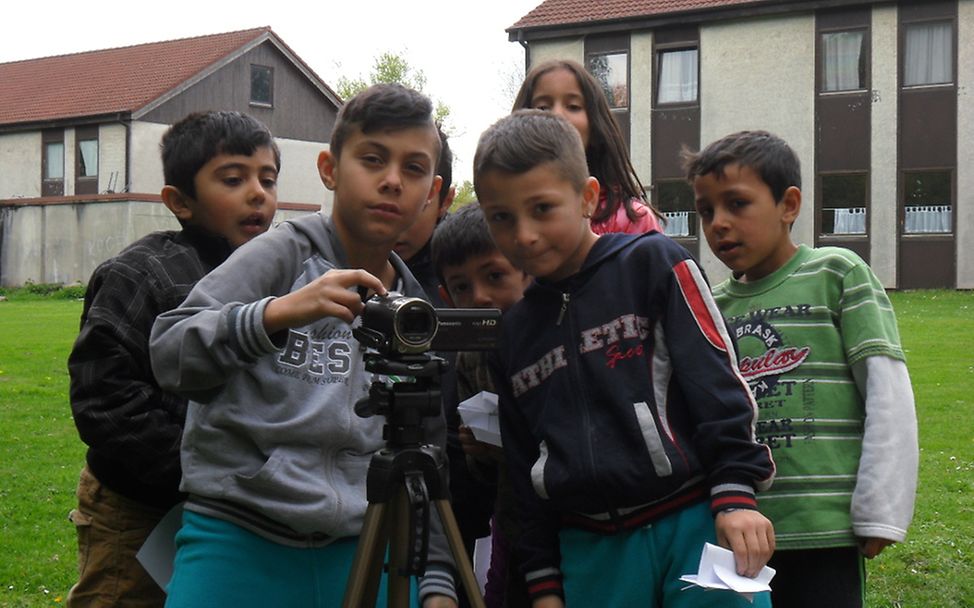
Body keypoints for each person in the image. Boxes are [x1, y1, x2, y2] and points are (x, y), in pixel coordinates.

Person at [149, 84, 458, 608]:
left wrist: (436, 580)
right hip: (237, 539)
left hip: (362, 547)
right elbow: (171, 352)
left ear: (432, 190)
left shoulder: (411, 305)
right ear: (329, 169)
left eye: (413, 168)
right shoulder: (281, 256)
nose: (391, 181)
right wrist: (277, 313)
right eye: (373, 159)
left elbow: (426, 450)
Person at [474, 109, 776, 608]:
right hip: (589, 553)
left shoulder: (655, 263)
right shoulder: (513, 334)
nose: (523, 234)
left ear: (588, 197)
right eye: (502, 218)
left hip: (694, 527)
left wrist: (736, 493)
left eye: (542, 208)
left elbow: (717, 384)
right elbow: (524, 468)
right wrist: (545, 581)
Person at [685, 130, 918, 608]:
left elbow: (887, 392)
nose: (718, 225)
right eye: (706, 211)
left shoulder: (838, 273)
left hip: (824, 529)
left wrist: (880, 511)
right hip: (742, 532)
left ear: (788, 205)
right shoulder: (713, 306)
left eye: (737, 204)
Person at [66, 110, 280, 607]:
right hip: (136, 509)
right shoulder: (142, 274)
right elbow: (105, 400)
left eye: (267, 179)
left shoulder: (281, 279)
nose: (257, 193)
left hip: (238, 513)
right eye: (234, 179)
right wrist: (202, 468)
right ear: (179, 201)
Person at [430, 202, 532, 608]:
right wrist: (482, 454)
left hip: (571, 529)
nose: (480, 296)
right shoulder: (470, 355)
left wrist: (511, 447)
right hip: (512, 525)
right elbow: (482, 475)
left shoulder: (553, 339)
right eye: (461, 287)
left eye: (494, 276)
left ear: (527, 269)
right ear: (445, 295)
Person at [512, 59, 663, 235]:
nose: (558, 116)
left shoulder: (633, 222)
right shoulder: (503, 217)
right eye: (543, 108)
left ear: (595, 126)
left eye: (573, 106)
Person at [395, 125, 456, 306]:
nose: (392, 228)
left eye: (416, 208)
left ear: (446, 201)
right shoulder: (315, 263)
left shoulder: (469, 268)